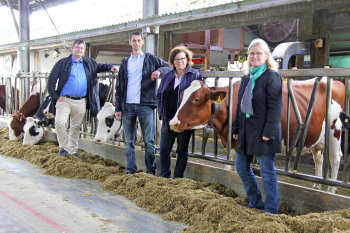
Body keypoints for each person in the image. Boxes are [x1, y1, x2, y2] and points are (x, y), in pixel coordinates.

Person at [232, 38, 282, 214]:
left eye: (258, 53)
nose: (254, 56)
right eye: (251, 53)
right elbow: (240, 106)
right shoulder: (246, 78)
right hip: (246, 129)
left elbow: (275, 107)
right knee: (240, 166)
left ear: (266, 56)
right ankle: (255, 201)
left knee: (267, 171)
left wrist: (270, 130)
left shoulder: (272, 76)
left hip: (263, 130)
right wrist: (236, 127)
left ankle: (271, 209)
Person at [48, 39, 118, 159]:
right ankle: (63, 148)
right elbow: (51, 80)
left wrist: (110, 67)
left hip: (81, 100)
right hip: (64, 100)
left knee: (76, 127)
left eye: (81, 48)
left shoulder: (89, 62)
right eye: (77, 48)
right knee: (60, 123)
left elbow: (100, 66)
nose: (79, 50)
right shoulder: (63, 63)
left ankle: (73, 151)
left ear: (84, 50)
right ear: (72, 49)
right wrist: (55, 96)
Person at [115, 31, 171, 175]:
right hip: (127, 106)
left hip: (145, 105)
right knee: (128, 141)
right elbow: (119, 87)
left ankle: (150, 171)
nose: (136, 43)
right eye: (134, 41)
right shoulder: (125, 62)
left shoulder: (150, 59)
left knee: (149, 140)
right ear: (130, 42)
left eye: (139, 40)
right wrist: (118, 108)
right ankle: (131, 170)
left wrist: (159, 70)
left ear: (142, 42)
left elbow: (169, 68)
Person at [156, 46, 202, 178]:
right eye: (176, 59)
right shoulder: (167, 76)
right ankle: (165, 176)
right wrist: (161, 114)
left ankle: (177, 178)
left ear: (187, 59)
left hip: (184, 120)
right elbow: (159, 96)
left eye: (182, 58)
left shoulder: (194, 75)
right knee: (164, 150)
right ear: (172, 61)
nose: (180, 61)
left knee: (182, 150)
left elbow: (199, 98)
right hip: (168, 119)